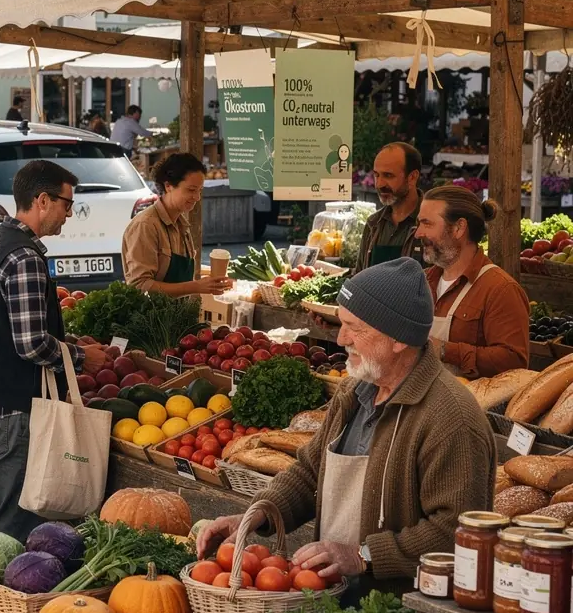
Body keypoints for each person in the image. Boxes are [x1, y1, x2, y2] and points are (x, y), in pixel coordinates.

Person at [197, 258, 495, 590]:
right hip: (333, 601)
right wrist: (259, 513)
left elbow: (455, 531)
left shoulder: (450, 417)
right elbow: (311, 471)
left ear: (398, 338)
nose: (340, 339)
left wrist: (363, 555)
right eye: (342, 324)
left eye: (355, 327)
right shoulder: (355, 391)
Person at [0, 159, 108, 540]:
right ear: (42, 200)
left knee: (4, 513)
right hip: (18, 411)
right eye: (65, 203)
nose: (69, 214)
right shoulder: (24, 256)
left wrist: (69, 343)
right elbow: (31, 345)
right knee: (12, 523)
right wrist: (80, 357)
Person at [415, 185, 530, 379]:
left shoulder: (500, 289)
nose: (418, 233)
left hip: (471, 407)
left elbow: (515, 363)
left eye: (427, 224)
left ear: (459, 228)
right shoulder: (424, 280)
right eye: (419, 224)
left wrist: (445, 350)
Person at [122, 152, 230, 296]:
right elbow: (140, 286)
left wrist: (211, 281)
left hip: (178, 315)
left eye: (199, 191)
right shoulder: (146, 225)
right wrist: (195, 287)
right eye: (191, 190)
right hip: (151, 317)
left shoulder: (181, 225)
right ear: (168, 186)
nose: (197, 197)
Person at [354, 142, 424, 271]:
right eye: (376, 175)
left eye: (388, 175)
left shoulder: (430, 223)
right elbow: (358, 277)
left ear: (412, 177)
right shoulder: (373, 224)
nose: (379, 184)